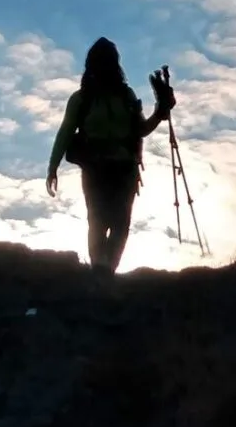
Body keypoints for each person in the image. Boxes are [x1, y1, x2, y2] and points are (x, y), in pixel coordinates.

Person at [46, 37, 175, 273]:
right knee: (98, 220)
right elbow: (65, 132)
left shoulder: (125, 96)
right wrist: (52, 167)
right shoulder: (82, 99)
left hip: (124, 169)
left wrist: (161, 110)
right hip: (96, 169)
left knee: (120, 224)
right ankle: (100, 270)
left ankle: (105, 271)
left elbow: (140, 130)